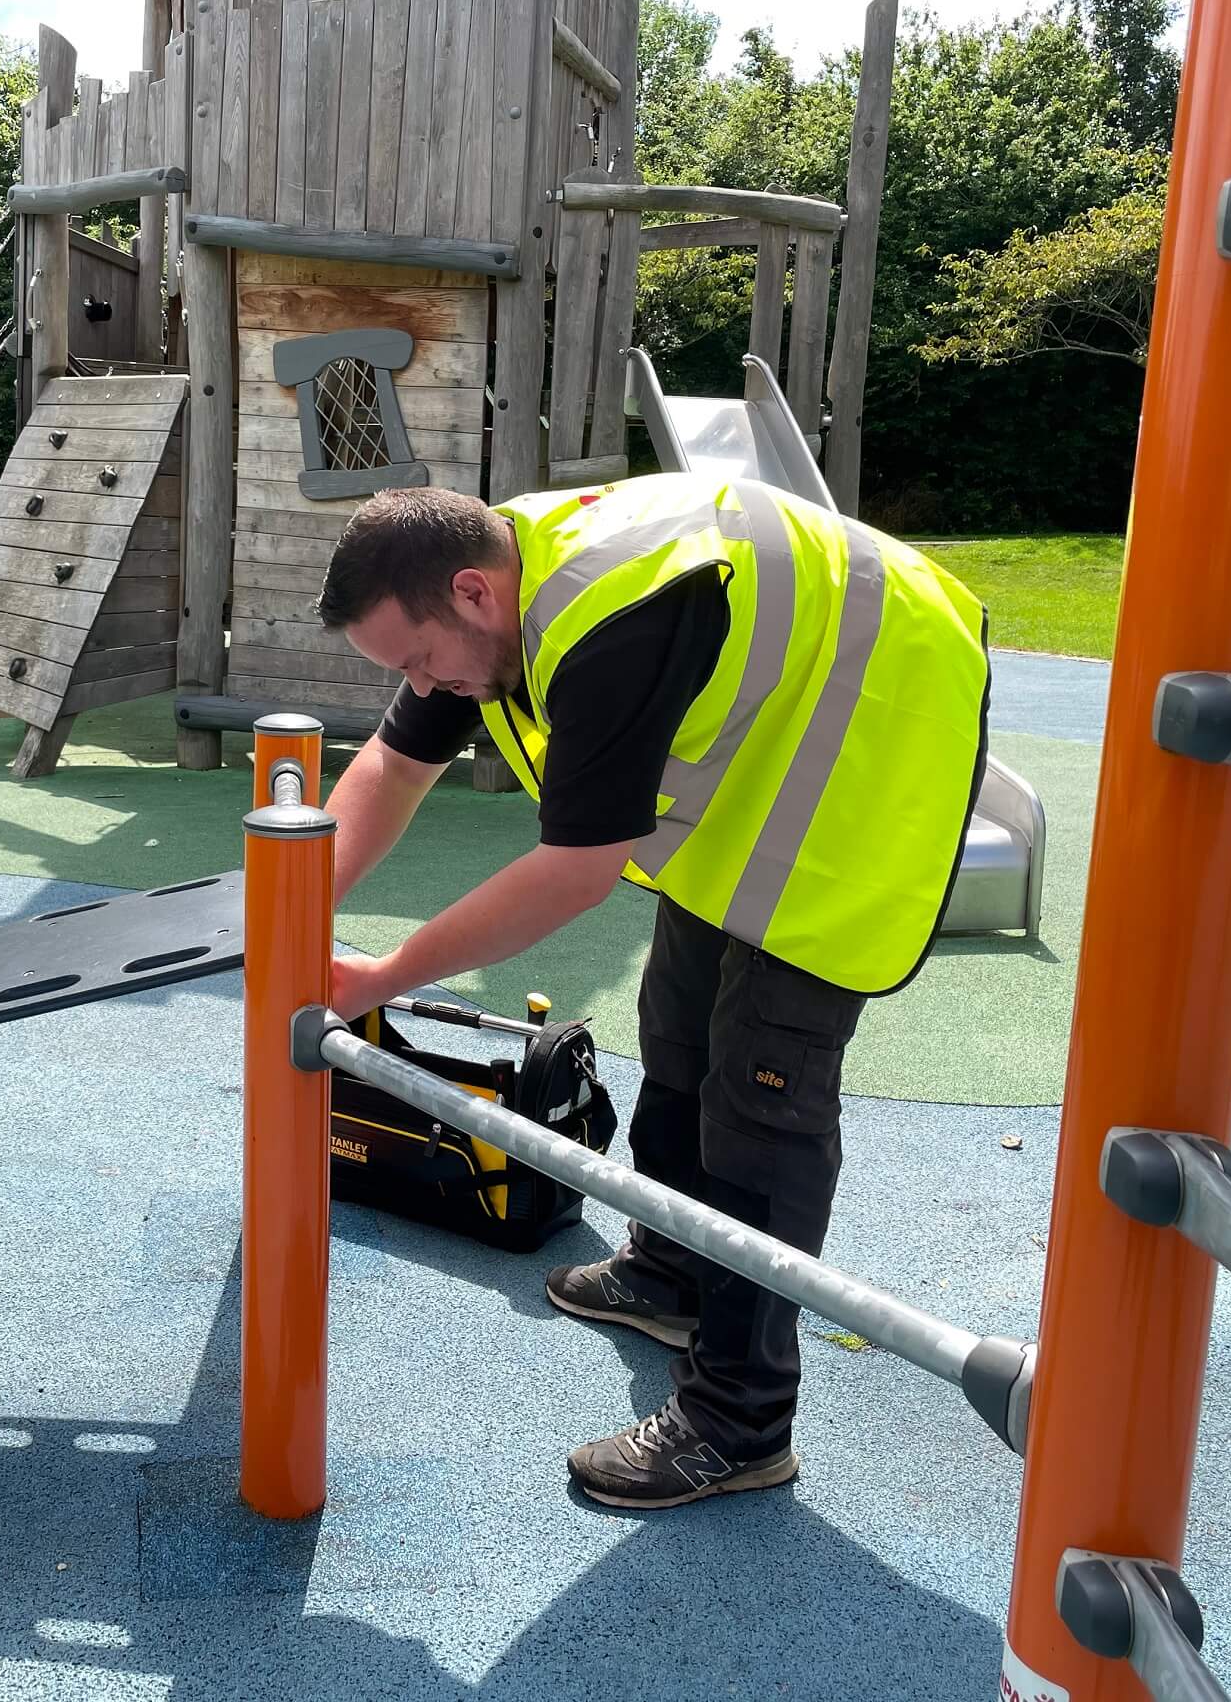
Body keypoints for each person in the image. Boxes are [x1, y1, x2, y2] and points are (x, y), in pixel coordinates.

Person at [315, 474, 990, 1509]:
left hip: (872, 736)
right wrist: (290, 908)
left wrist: (384, 975)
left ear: (471, 594)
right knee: (674, 1027)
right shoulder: (496, 588)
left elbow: (575, 875)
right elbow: (392, 767)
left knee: (763, 1102)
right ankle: (673, 1270)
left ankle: (738, 1421)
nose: (426, 685)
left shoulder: (610, 621)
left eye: (418, 660)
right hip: (779, 739)